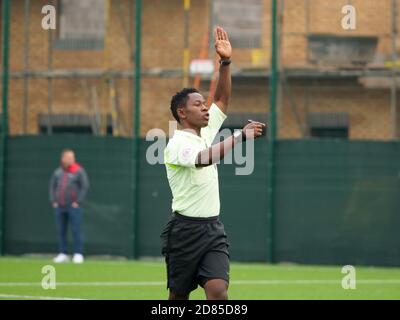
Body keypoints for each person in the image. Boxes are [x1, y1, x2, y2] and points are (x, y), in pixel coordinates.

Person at [161, 26, 266, 300]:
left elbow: (221, 98)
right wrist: (240, 136)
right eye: (198, 105)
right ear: (182, 113)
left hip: (212, 229)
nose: (205, 107)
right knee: (178, 298)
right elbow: (203, 159)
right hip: (183, 231)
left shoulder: (206, 132)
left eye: (203, 104)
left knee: (218, 291)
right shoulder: (175, 145)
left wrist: (226, 63)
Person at [49, 149, 89, 264]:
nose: (71, 159)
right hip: (60, 206)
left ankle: (78, 254)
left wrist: (78, 202)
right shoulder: (58, 172)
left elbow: (84, 186)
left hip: (73, 207)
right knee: (61, 230)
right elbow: (52, 186)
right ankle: (63, 253)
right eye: (69, 157)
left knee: (76, 230)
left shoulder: (79, 171)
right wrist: (53, 201)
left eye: (73, 157)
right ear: (63, 159)